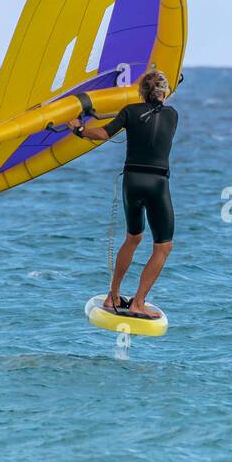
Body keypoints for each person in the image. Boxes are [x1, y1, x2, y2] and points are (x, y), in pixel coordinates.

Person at [67, 70, 177, 319]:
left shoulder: (130, 112)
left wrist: (79, 128)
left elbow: (104, 133)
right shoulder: (173, 115)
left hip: (132, 181)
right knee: (163, 246)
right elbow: (153, 116)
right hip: (157, 183)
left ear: (141, 92)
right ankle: (138, 302)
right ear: (164, 92)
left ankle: (113, 295)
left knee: (133, 238)